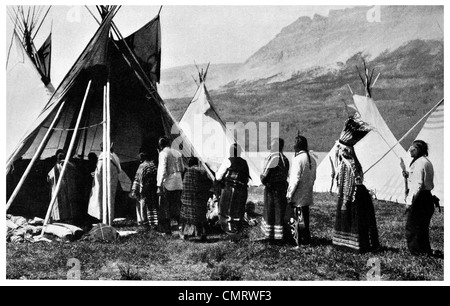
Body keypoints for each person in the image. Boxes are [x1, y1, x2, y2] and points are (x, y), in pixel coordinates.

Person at [332, 116, 380, 253]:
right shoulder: (351, 162)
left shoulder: (347, 164)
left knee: (351, 219)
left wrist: (345, 201)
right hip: (357, 194)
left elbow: (348, 182)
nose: (338, 151)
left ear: (344, 150)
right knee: (358, 220)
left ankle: (350, 244)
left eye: (339, 149)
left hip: (352, 196)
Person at [403, 140, 438, 256]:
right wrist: (408, 175)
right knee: (422, 226)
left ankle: (416, 252)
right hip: (426, 197)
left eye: (412, 149)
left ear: (417, 150)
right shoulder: (425, 162)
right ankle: (424, 250)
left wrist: (409, 202)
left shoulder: (418, 163)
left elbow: (417, 185)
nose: (409, 151)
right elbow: (421, 178)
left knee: (413, 226)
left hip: (420, 198)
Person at [286, 134, 317, 246]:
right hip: (307, 192)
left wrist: (289, 194)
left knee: (298, 218)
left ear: (297, 146)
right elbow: (313, 178)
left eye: (294, 144)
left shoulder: (298, 159)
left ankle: (299, 241)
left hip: (298, 194)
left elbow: (295, 179)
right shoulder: (312, 159)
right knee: (304, 216)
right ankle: (306, 239)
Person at [216, 143, 250, 236]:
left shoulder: (228, 161)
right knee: (238, 208)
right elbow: (246, 177)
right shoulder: (244, 162)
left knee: (228, 209)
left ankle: (228, 227)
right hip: (242, 189)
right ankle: (237, 227)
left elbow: (219, 177)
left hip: (230, 189)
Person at [260, 138, 290, 242]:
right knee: (279, 212)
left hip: (272, 190)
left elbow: (264, 176)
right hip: (281, 189)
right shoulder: (285, 159)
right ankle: (279, 235)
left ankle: (271, 236)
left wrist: (263, 180)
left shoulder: (274, 158)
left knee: (271, 212)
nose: (270, 148)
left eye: (271, 146)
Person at [179, 157, 213, 241]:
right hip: (198, 199)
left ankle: (186, 234)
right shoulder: (202, 171)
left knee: (186, 217)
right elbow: (208, 184)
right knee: (200, 217)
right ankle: (202, 234)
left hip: (186, 199)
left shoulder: (186, 172)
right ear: (197, 163)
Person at [156, 136, 185, 235]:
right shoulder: (177, 153)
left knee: (165, 206)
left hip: (168, 181)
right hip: (178, 180)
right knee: (177, 205)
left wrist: (159, 184)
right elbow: (182, 167)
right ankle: (181, 227)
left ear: (161, 145)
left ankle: (166, 229)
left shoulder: (163, 153)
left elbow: (162, 169)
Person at [88, 142, 122, 224]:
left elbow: (99, 171)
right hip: (108, 180)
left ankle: (104, 216)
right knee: (107, 197)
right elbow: (119, 169)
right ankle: (107, 216)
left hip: (104, 181)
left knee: (101, 197)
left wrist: (96, 174)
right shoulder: (113, 157)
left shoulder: (104, 157)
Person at [47, 151, 79, 223]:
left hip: (57, 189)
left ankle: (59, 217)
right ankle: (67, 217)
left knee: (58, 204)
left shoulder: (56, 167)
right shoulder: (68, 166)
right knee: (66, 203)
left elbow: (49, 178)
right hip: (65, 188)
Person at [130, 150, 158, 229]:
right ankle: (153, 222)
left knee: (143, 205)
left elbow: (138, 179)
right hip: (152, 188)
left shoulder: (142, 166)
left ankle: (144, 221)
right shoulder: (153, 165)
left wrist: (135, 189)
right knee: (152, 205)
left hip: (144, 189)